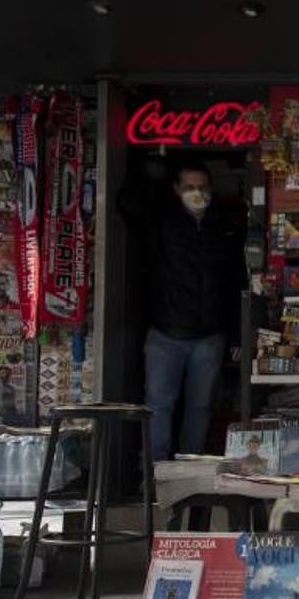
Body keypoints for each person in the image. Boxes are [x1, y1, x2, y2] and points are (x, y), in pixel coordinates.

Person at [120, 160, 247, 461]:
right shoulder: (161, 221)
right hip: (166, 331)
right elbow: (128, 204)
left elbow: (236, 284)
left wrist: (237, 333)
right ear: (176, 190)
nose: (197, 193)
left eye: (202, 187)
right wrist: (155, 176)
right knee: (159, 404)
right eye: (189, 187)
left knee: (200, 406)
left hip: (209, 335)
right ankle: (156, 473)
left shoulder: (224, 229)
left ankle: (188, 472)